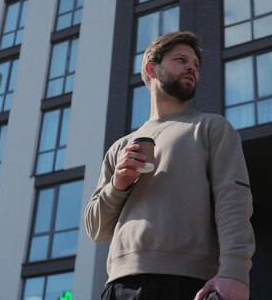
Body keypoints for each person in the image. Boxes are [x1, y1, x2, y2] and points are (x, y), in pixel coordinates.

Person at [84, 31, 255, 300]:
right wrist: (117, 186)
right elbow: (96, 229)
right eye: (181, 60)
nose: (191, 67)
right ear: (152, 69)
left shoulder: (212, 128)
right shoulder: (120, 147)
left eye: (196, 65)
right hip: (117, 287)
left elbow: (233, 201)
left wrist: (234, 272)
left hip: (187, 283)